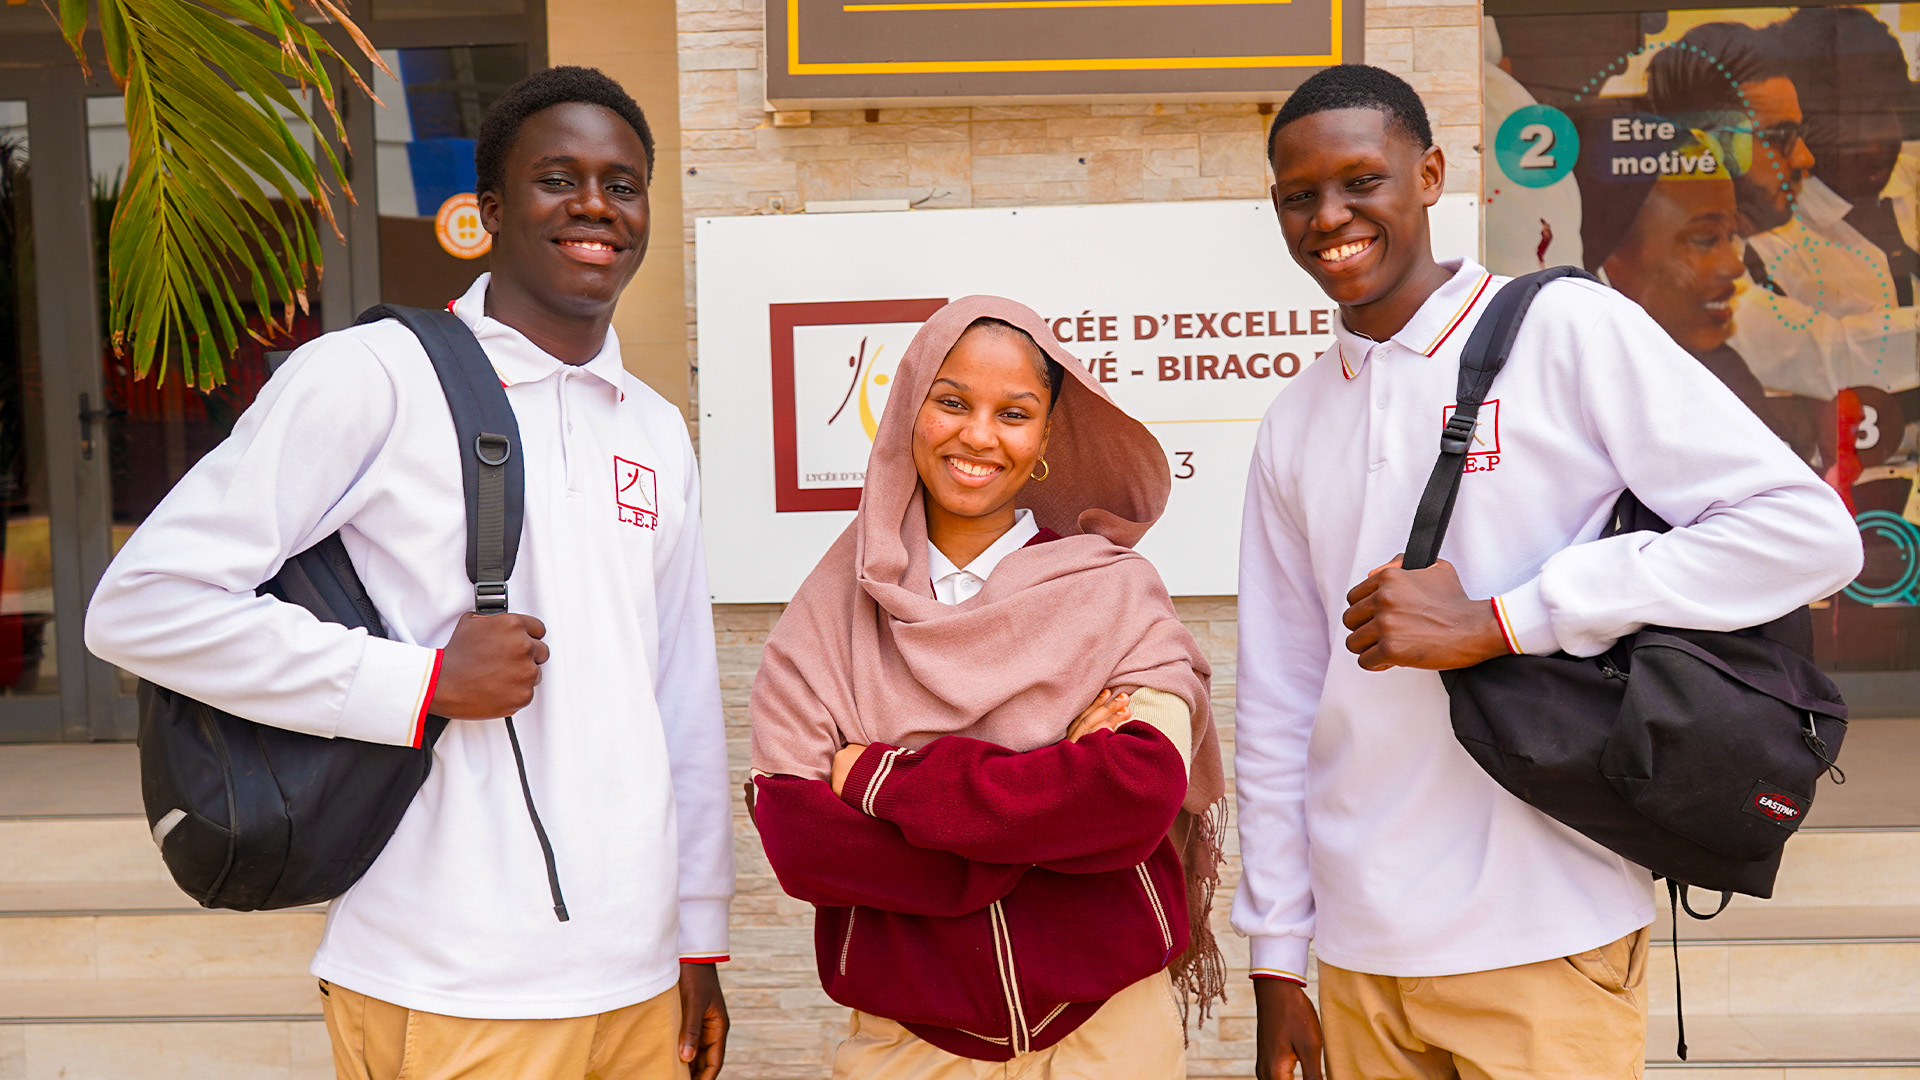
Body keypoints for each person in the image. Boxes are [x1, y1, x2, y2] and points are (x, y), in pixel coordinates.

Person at [84, 67, 733, 1080]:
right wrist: (420, 682)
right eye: (557, 179)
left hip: (637, 981)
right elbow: (144, 605)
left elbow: (680, 695)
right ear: (489, 210)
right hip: (446, 979)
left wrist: (696, 935)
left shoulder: (654, 427)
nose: (597, 206)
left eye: (623, 184)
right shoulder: (374, 374)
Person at [1235, 64, 1862, 1080]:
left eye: (1361, 181)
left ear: (1430, 175)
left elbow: (1807, 534)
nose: (1330, 217)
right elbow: (1277, 701)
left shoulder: (1564, 329)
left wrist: (1509, 617)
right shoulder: (1293, 421)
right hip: (1358, 954)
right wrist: (1277, 951)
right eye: (1299, 195)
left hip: (1549, 927)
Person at [747, 296, 1227, 1079]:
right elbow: (804, 846)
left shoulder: (1115, 592)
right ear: (909, 409)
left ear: (1046, 437)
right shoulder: (829, 616)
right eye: (951, 402)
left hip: (1111, 1037)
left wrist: (878, 781)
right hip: (907, 1048)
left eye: (1014, 413)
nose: (978, 436)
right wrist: (1048, 816)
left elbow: (1136, 794)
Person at [1649, 21, 1920, 401]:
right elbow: (1827, 356)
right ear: (1709, 145)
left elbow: (1847, 321)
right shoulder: (1679, 267)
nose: (1805, 158)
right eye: (1780, 137)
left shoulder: (1737, 242)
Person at [1578, 115, 1811, 452]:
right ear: (1610, 252)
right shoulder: (1564, 378)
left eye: (1732, 235)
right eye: (1705, 239)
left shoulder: (1723, 372)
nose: (1734, 266)